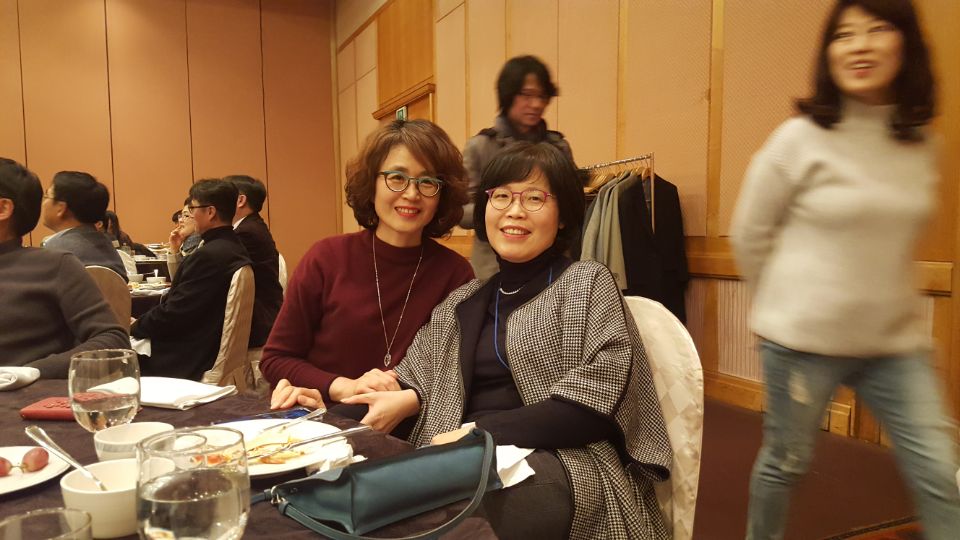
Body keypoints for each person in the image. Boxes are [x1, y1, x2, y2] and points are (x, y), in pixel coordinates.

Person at [279, 143, 674, 538]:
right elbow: (413, 381)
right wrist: (322, 421)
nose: (514, 211)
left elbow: (595, 404)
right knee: (324, 488)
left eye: (534, 198)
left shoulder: (586, 283)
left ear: (564, 215)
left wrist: (481, 431)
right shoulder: (463, 300)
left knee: (417, 515)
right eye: (501, 196)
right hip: (458, 458)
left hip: (563, 462)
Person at [729, 1, 960, 538]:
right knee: (786, 462)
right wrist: (782, 311)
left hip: (893, 345)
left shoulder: (921, 144)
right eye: (845, 34)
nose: (860, 46)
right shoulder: (799, 138)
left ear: (906, 45)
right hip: (802, 343)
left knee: (939, 470)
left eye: (877, 30)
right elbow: (749, 233)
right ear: (828, 52)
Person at [262, 119, 474, 408]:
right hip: (324, 417)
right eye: (396, 177)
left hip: (409, 425)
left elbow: (454, 375)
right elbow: (276, 359)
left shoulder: (456, 274)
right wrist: (343, 387)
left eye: (427, 182)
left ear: (442, 195)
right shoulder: (327, 258)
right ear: (372, 184)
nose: (412, 194)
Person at [0, 158, 128, 378]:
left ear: (3, 208)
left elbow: (113, 341)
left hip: (22, 394)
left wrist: (28, 373)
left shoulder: (55, 265)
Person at [460, 55, 575, 279]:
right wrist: (500, 204)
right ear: (508, 94)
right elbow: (462, 212)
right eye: (526, 95)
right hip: (494, 268)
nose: (536, 105)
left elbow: (570, 208)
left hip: (551, 266)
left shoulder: (558, 147)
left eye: (542, 96)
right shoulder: (482, 146)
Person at [131, 179, 251, 381]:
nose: (187, 216)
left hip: (188, 357)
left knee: (115, 356)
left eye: (192, 209)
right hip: (204, 344)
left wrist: (135, 326)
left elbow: (175, 314)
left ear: (210, 212)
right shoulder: (232, 246)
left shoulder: (209, 255)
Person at [224, 174, 283, 349]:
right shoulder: (251, 226)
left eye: (222, 195)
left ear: (240, 200)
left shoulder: (246, 233)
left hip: (256, 320)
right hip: (260, 314)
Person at [41, 171, 127, 280]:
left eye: (46, 195)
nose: (43, 202)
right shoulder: (108, 246)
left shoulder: (55, 249)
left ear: (60, 208)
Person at [166, 198, 202, 277]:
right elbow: (176, 280)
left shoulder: (203, 245)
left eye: (186, 215)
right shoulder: (185, 244)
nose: (180, 220)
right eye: (181, 216)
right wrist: (174, 250)